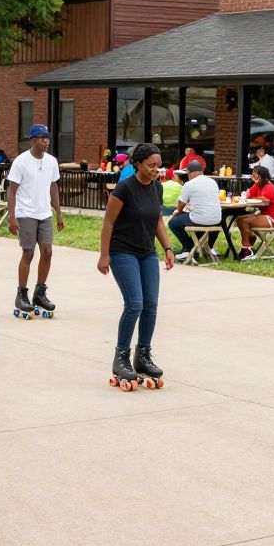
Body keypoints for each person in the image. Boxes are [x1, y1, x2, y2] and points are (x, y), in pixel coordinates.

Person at [98, 143, 174, 391]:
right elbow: (108, 222)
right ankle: (121, 358)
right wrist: (104, 255)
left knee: (151, 305)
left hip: (147, 252)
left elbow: (158, 220)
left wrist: (168, 247)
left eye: (158, 166)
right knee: (135, 304)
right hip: (122, 252)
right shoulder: (125, 188)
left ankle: (143, 356)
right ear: (138, 164)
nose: (156, 170)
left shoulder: (156, 187)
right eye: (151, 165)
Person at [6, 124, 64, 318]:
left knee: (47, 251)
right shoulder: (21, 162)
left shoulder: (51, 161)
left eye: (47, 137)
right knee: (28, 252)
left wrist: (59, 212)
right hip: (25, 213)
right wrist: (12, 217)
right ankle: (21, 295)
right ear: (32, 140)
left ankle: (40, 293)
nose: (46, 141)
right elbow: (12, 191)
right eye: (42, 138)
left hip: (44, 213)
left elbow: (53, 187)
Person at [167, 160, 222, 262]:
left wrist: (178, 212)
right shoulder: (213, 182)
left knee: (173, 223)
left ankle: (188, 248)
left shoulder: (189, 184)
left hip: (200, 219)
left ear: (192, 173)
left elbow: (181, 203)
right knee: (193, 217)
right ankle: (203, 248)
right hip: (217, 220)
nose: (188, 175)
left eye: (188, 173)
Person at [235, 166, 274, 261]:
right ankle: (248, 244)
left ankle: (246, 250)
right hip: (264, 215)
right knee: (240, 219)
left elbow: (264, 199)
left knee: (244, 221)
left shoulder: (269, 187)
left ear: (260, 176)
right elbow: (249, 193)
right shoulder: (258, 185)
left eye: (254, 175)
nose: (252, 177)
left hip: (272, 218)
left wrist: (250, 198)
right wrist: (247, 194)